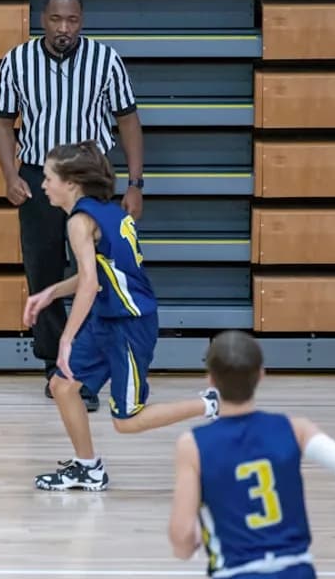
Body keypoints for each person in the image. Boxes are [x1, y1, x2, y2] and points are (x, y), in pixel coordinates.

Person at [23, 141, 217, 491]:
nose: (43, 185)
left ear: (71, 183)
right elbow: (99, 272)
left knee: (127, 420)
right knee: (62, 386)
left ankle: (208, 404)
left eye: (49, 178)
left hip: (129, 323)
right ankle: (88, 468)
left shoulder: (80, 221)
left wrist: (65, 338)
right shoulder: (107, 211)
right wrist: (51, 292)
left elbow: (90, 283)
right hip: (108, 318)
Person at [168, 330, 335, 579]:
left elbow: (181, 538)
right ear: (261, 374)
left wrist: (188, 545)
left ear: (211, 381)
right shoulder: (294, 428)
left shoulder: (192, 445)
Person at [0, 0, 146, 410]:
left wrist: (135, 183)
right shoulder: (17, 60)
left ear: (82, 21)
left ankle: (88, 369)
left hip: (91, 179)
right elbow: (2, 123)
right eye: (57, 19)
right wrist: (10, 175)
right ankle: (55, 366)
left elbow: (128, 121)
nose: (64, 28)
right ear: (43, 19)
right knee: (42, 270)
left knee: (95, 271)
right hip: (40, 177)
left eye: (72, 20)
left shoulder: (105, 60)